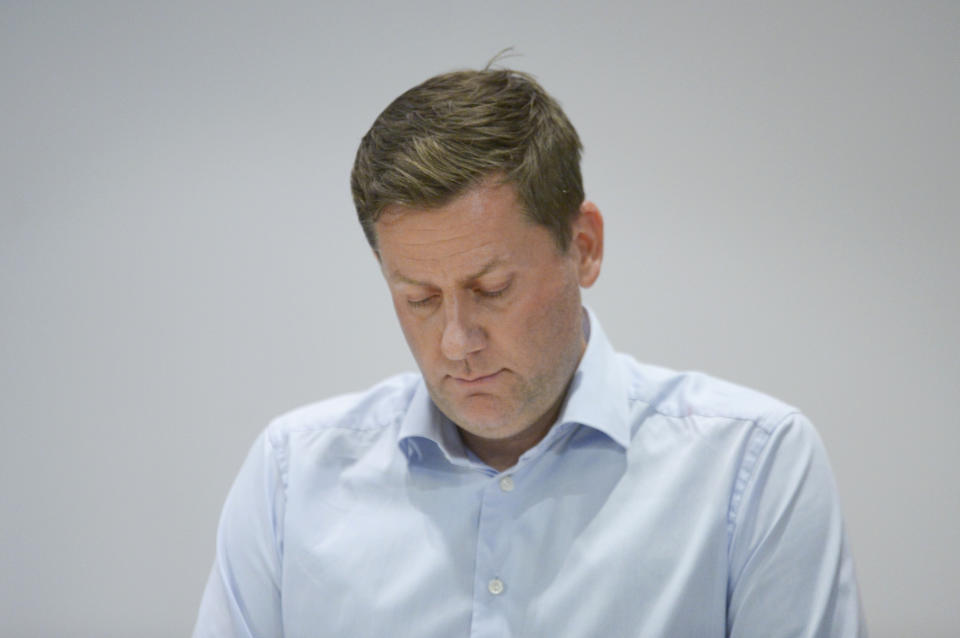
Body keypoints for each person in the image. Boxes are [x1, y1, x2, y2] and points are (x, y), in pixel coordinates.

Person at [193, 66, 866, 637]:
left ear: (585, 246)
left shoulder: (751, 469)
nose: (456, 342)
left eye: (491, 289)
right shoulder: (291, 478)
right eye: (419, 298)